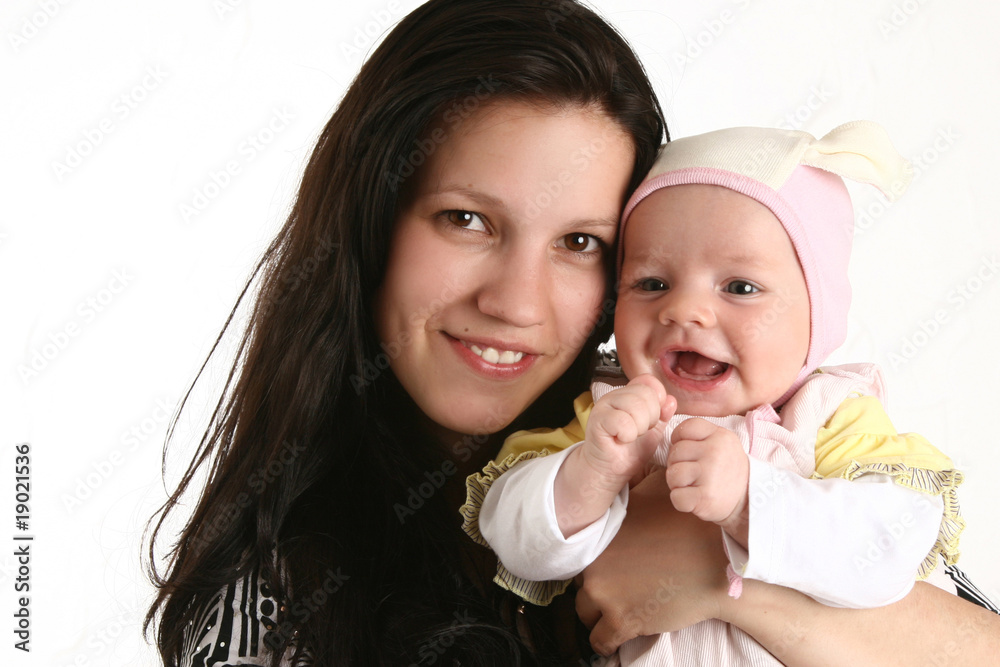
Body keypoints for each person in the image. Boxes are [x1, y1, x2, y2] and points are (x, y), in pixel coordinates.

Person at [142, 1, 1000, 665]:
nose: (517, 301)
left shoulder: (775, 430)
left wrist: (721, 575)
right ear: (372, 225)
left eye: (580, 243)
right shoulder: (277, 588)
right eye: (468, 219)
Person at [461, 123, 972, 664]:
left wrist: (751, 502)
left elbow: (892, 546)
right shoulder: (607, 412)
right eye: (652, 283)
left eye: (741, 288)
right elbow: (513, 540)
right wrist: (589, 475)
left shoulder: (830, 418)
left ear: (815, 317)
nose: (683, 310)